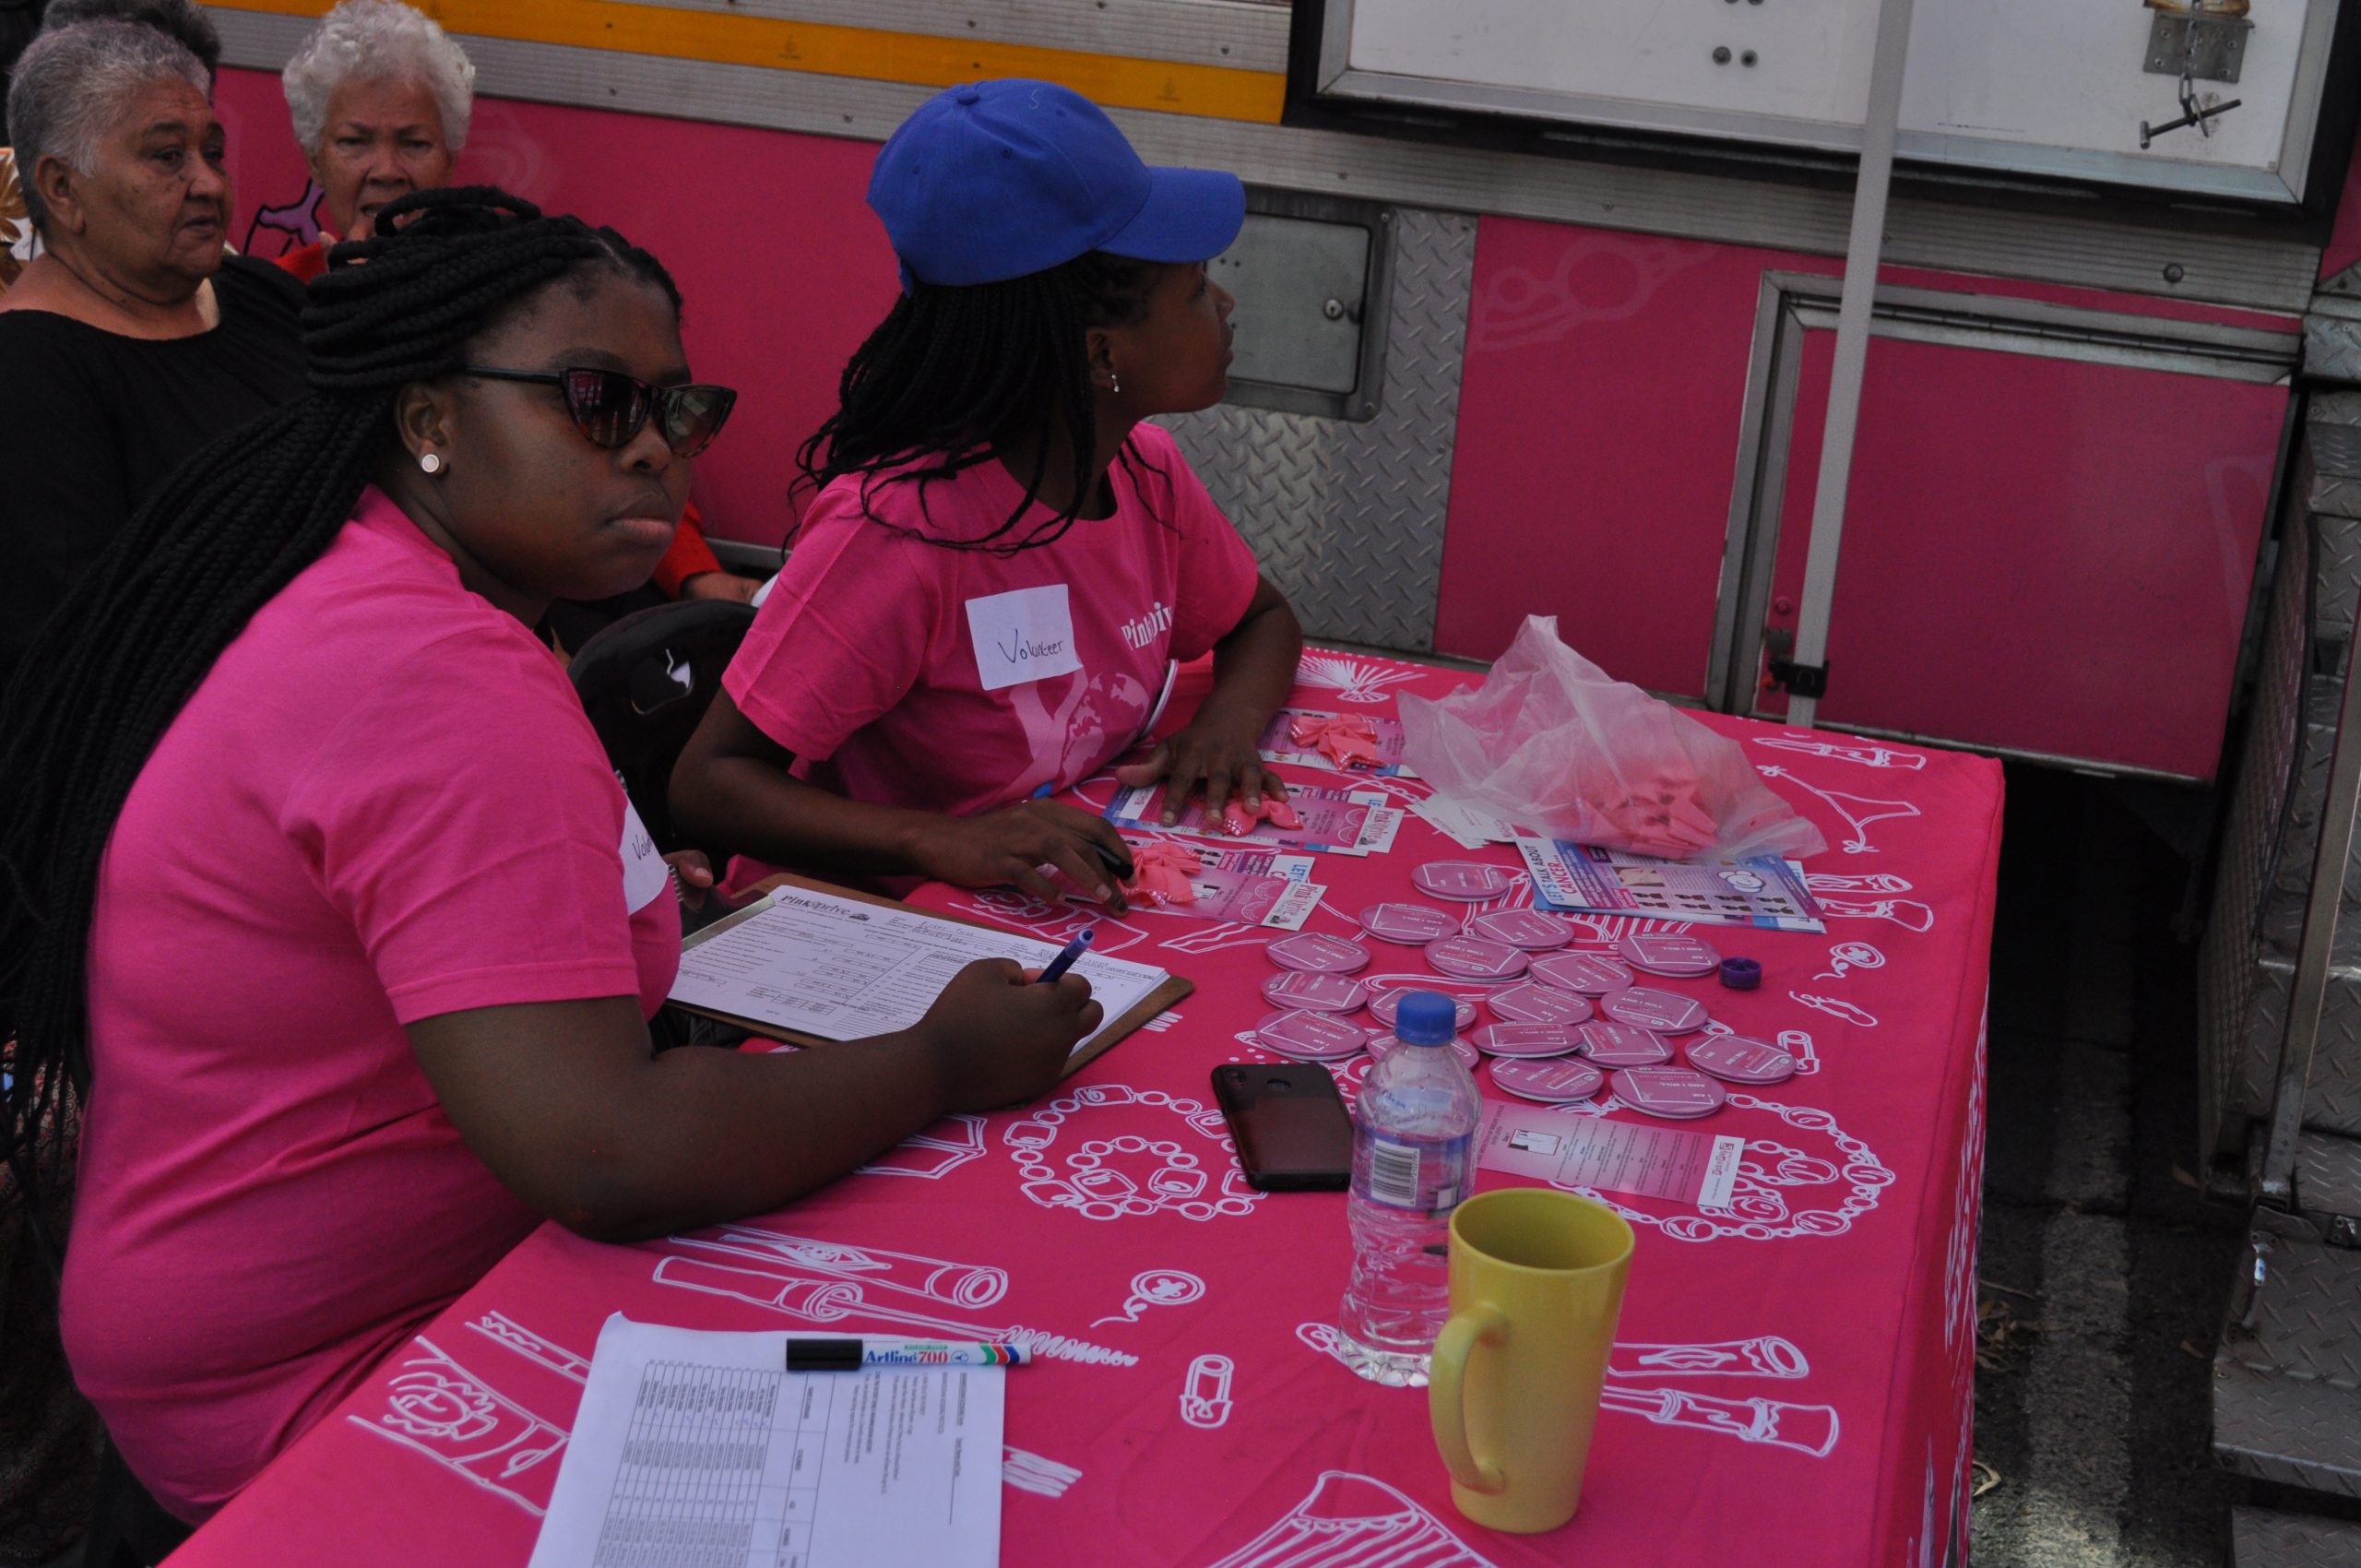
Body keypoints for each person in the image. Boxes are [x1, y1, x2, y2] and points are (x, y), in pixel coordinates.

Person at [0, 185, 1100, 1523]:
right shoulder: (434, 674)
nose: (652, 452)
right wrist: (942, 1061)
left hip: (273, 1312)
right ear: (428, 420)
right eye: (594, 401)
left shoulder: (370, 581)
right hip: (315, 1387)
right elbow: (609, 1154)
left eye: (679, 411)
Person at [670, 79, 1304, 909]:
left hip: (1050, 900)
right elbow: (709, 782)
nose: (1223, 303)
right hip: (879, 923)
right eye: (1194, 290)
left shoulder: (1143, 470)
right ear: (1099, 353)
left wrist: (1226, 724)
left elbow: (1262, 617)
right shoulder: (896, 533)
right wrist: (937, 839)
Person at [273, 1, 755, 617]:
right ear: (314, 158)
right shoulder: (275, 303)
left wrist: (695, 574)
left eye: (414, 142)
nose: (387, 170)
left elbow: (626, 428)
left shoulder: (520, 299)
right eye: (354, 142)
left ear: (451, 157)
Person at [0, 19, 302, 686]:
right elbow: (78, 660)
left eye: (213, 152)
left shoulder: (263, 297)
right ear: (62, 190)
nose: (209, 184)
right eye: (168, 157)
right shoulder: (28, 376)